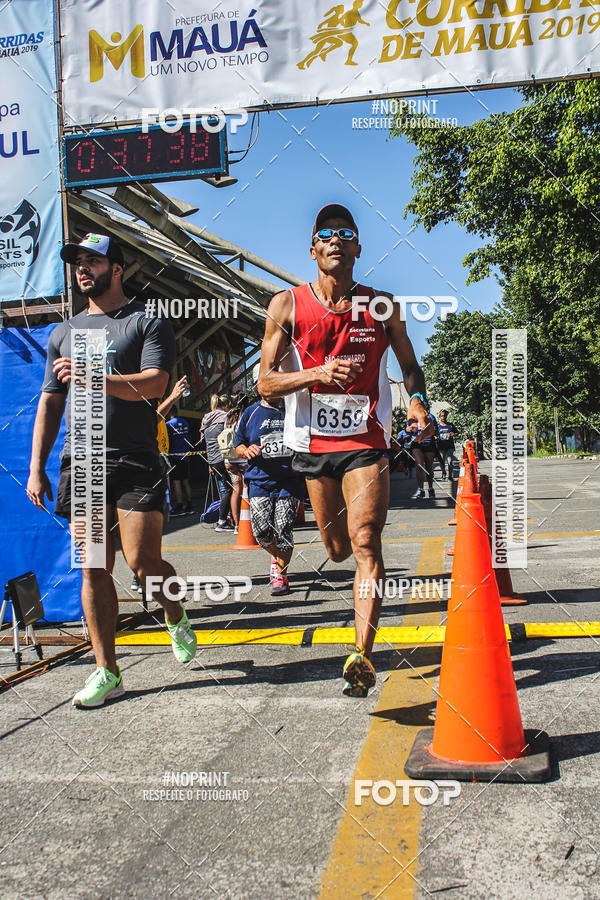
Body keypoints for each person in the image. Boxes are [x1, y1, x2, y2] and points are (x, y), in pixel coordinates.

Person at [257, 203, 432, 696]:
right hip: (314, 445)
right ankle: (355, 616)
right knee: (335, 550)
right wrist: (316, 373)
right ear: (313, 249)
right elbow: (265, 386)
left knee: (365, 542)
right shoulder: (285, 306)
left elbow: (410, 366)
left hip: (365, 443)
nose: (336, 240)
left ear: (358, 248)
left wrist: (416, 401)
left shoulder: (382, 306)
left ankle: (362, 656)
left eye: (346, 233)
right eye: (326, 234)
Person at [26, 233, 197, 708]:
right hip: (82, 462)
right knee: (94, 567)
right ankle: (108, 672)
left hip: (135, 457)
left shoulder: (146, 323)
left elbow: (155, 383)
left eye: (93, 261)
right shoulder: (63, 333)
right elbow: (50, 402)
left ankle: (174, 612)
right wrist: (36, 467)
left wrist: (93, 377)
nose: (83, 269)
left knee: (144, 565)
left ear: (116, 268)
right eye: (77, 262)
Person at [236, 390, 304, 595]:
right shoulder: (250, 413)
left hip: (289, 480)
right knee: (262, 533)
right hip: (259, 480)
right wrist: (246, 451)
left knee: (283, 529)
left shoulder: (294, 409)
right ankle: (277, 557)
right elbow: (239, 443)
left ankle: (280, 574)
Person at [200, 393, 233, 532]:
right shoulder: (224, 417)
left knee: (223, 489)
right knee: (230, 489)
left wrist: (209, 464)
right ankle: (222, 521)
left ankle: (228, 517)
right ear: (225, 406)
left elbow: (206, 443)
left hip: (213, 460)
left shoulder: (206, 419)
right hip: (223, 458)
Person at [218, 395, 247, 534]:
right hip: (243, 458)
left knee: (236, 489)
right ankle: (249, 521)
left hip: (229, 459)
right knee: (248, 489)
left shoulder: (228, 416)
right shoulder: (246, 414)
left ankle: (237, 525)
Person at [166, 408, 194, 516]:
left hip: (175, 456)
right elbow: (189, 437)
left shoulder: (168, 425)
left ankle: (179, 505)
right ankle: (190, 504)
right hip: (186, 455)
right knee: (186, 481)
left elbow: (167, 441)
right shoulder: (185, 422)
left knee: (176, 482)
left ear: (169, 413)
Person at [409, 410, 438, 499]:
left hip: (429, 443)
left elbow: (436, 431)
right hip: (417, 444)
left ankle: (430, 488)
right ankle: (421, 489)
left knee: (429, 467)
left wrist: (428, 431)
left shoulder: (430, 417)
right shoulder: (412, 417)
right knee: (419, 464)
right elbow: (407, 429)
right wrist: (410, 429)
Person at [437, 409, 459, 480]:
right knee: (441, 461)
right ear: (440, 417)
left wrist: (454, 434)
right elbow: (434, 434)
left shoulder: (450, 425)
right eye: (442, 416)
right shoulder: (438, 426)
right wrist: (436, 437)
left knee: (449, 461)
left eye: (445, 416)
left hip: (450, 446)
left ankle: (450, 476)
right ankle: (443, 473)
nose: (444, 417)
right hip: (441, 446)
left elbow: (457, 433)